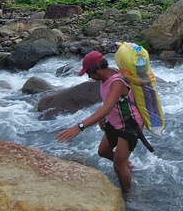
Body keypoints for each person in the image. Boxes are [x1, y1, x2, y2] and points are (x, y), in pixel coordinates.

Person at [56, 51, 146, 198]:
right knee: (103, 152)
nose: (88, 77)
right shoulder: (105, 78)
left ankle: (127, 196)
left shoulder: (116, 81)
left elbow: (107, 107)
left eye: (89, 73)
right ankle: (128, 166)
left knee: (118, 166)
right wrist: (102, 118)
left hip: (129, 125)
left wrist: (79, 126)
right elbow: (109, 104)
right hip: (115, 121)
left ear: (97, 69)